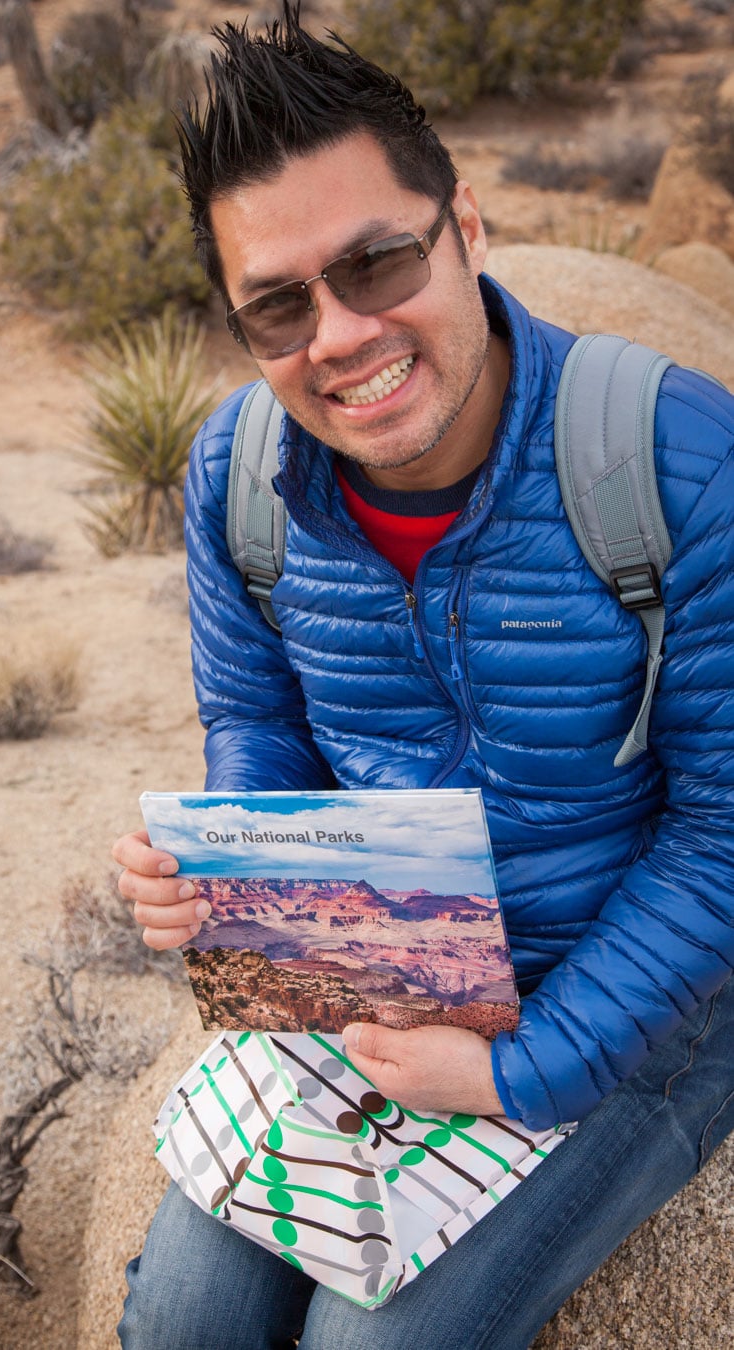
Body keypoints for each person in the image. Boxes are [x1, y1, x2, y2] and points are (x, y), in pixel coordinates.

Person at [112, 8, 734, 1347]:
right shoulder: (238, 478)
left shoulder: (675, 460)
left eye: (377, 263)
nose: (339, 335)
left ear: (466, 233)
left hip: (647, 998)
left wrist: (518, 1067)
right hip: (392, 970)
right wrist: (230, 882)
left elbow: (726, 827)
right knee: (182, 1315)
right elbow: (257, 721)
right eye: (279, 304)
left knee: (367, 1342)